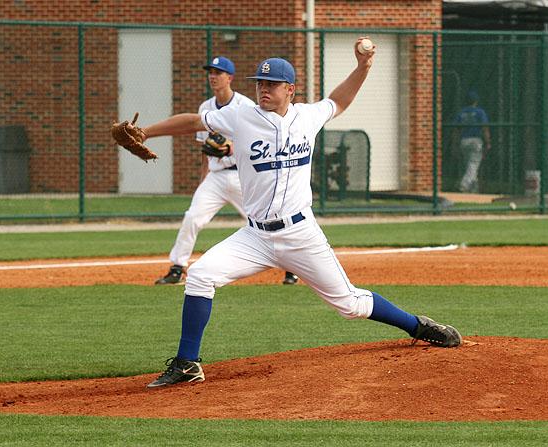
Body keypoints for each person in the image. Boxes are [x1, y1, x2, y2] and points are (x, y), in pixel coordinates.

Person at [138, 37, 462, 388]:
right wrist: (145, 132)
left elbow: (338, 100)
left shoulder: (307, 116)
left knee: (350, 305)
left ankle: (418, 326)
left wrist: (363, 67)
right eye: (260, 83)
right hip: (255, 236)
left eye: (272, 84)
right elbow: (193, 122)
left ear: (290, 89)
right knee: (201, 275)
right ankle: (187, 363)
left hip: (300, 234)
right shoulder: (240, 117)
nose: (263, 89)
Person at [154, 56, 299, 287]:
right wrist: (203, 179)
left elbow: (257, 140)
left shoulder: (245, 106)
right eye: (210, 72)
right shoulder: (205, 107)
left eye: (218, 72)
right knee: (193, 217)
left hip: (242, 176)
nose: (213, 76)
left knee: (267, 222)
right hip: (216, 176)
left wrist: (230, 146)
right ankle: (177, 267)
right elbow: (205, 149)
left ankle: (292, 269)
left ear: (229, 78)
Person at [454, 90, 491, 193]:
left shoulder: (461, 113)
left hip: (464, 140)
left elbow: (456, 130)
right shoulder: (480, 112)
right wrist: (488, 142)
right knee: (473, 165)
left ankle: (474, 190)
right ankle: (464, 185)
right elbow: (485, 128)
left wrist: (455, 144)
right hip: (475, 140)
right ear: (476, 101)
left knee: (470, 166)